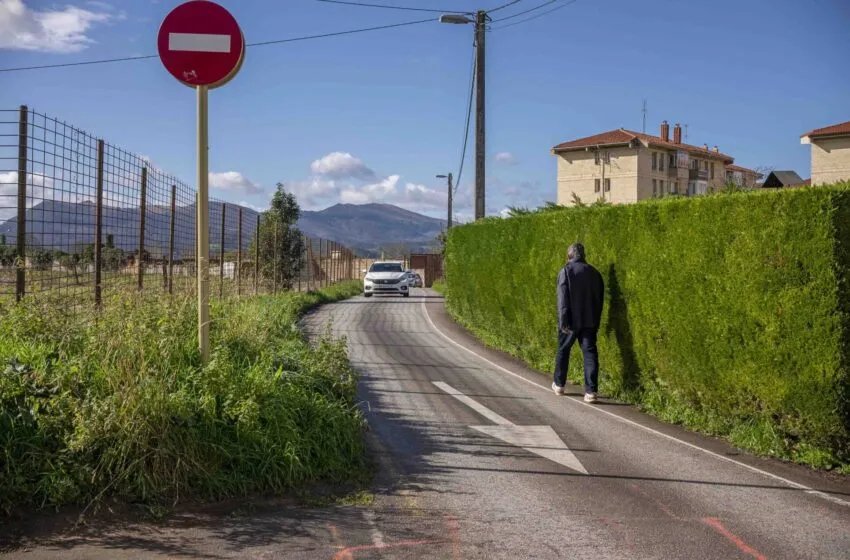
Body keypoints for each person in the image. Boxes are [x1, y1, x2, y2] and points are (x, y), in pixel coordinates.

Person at [552, 243, 605, 403]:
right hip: (590, 321)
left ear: (569, 255)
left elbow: (562, 299)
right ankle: (591, 392)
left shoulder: (566, 271)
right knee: (590, 354)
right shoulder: (595, 273)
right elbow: (599, 300)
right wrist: (596, 320)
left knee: (563, 350)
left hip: (570, 321)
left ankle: (560, 384)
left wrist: (563, 321)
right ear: (583, 255)